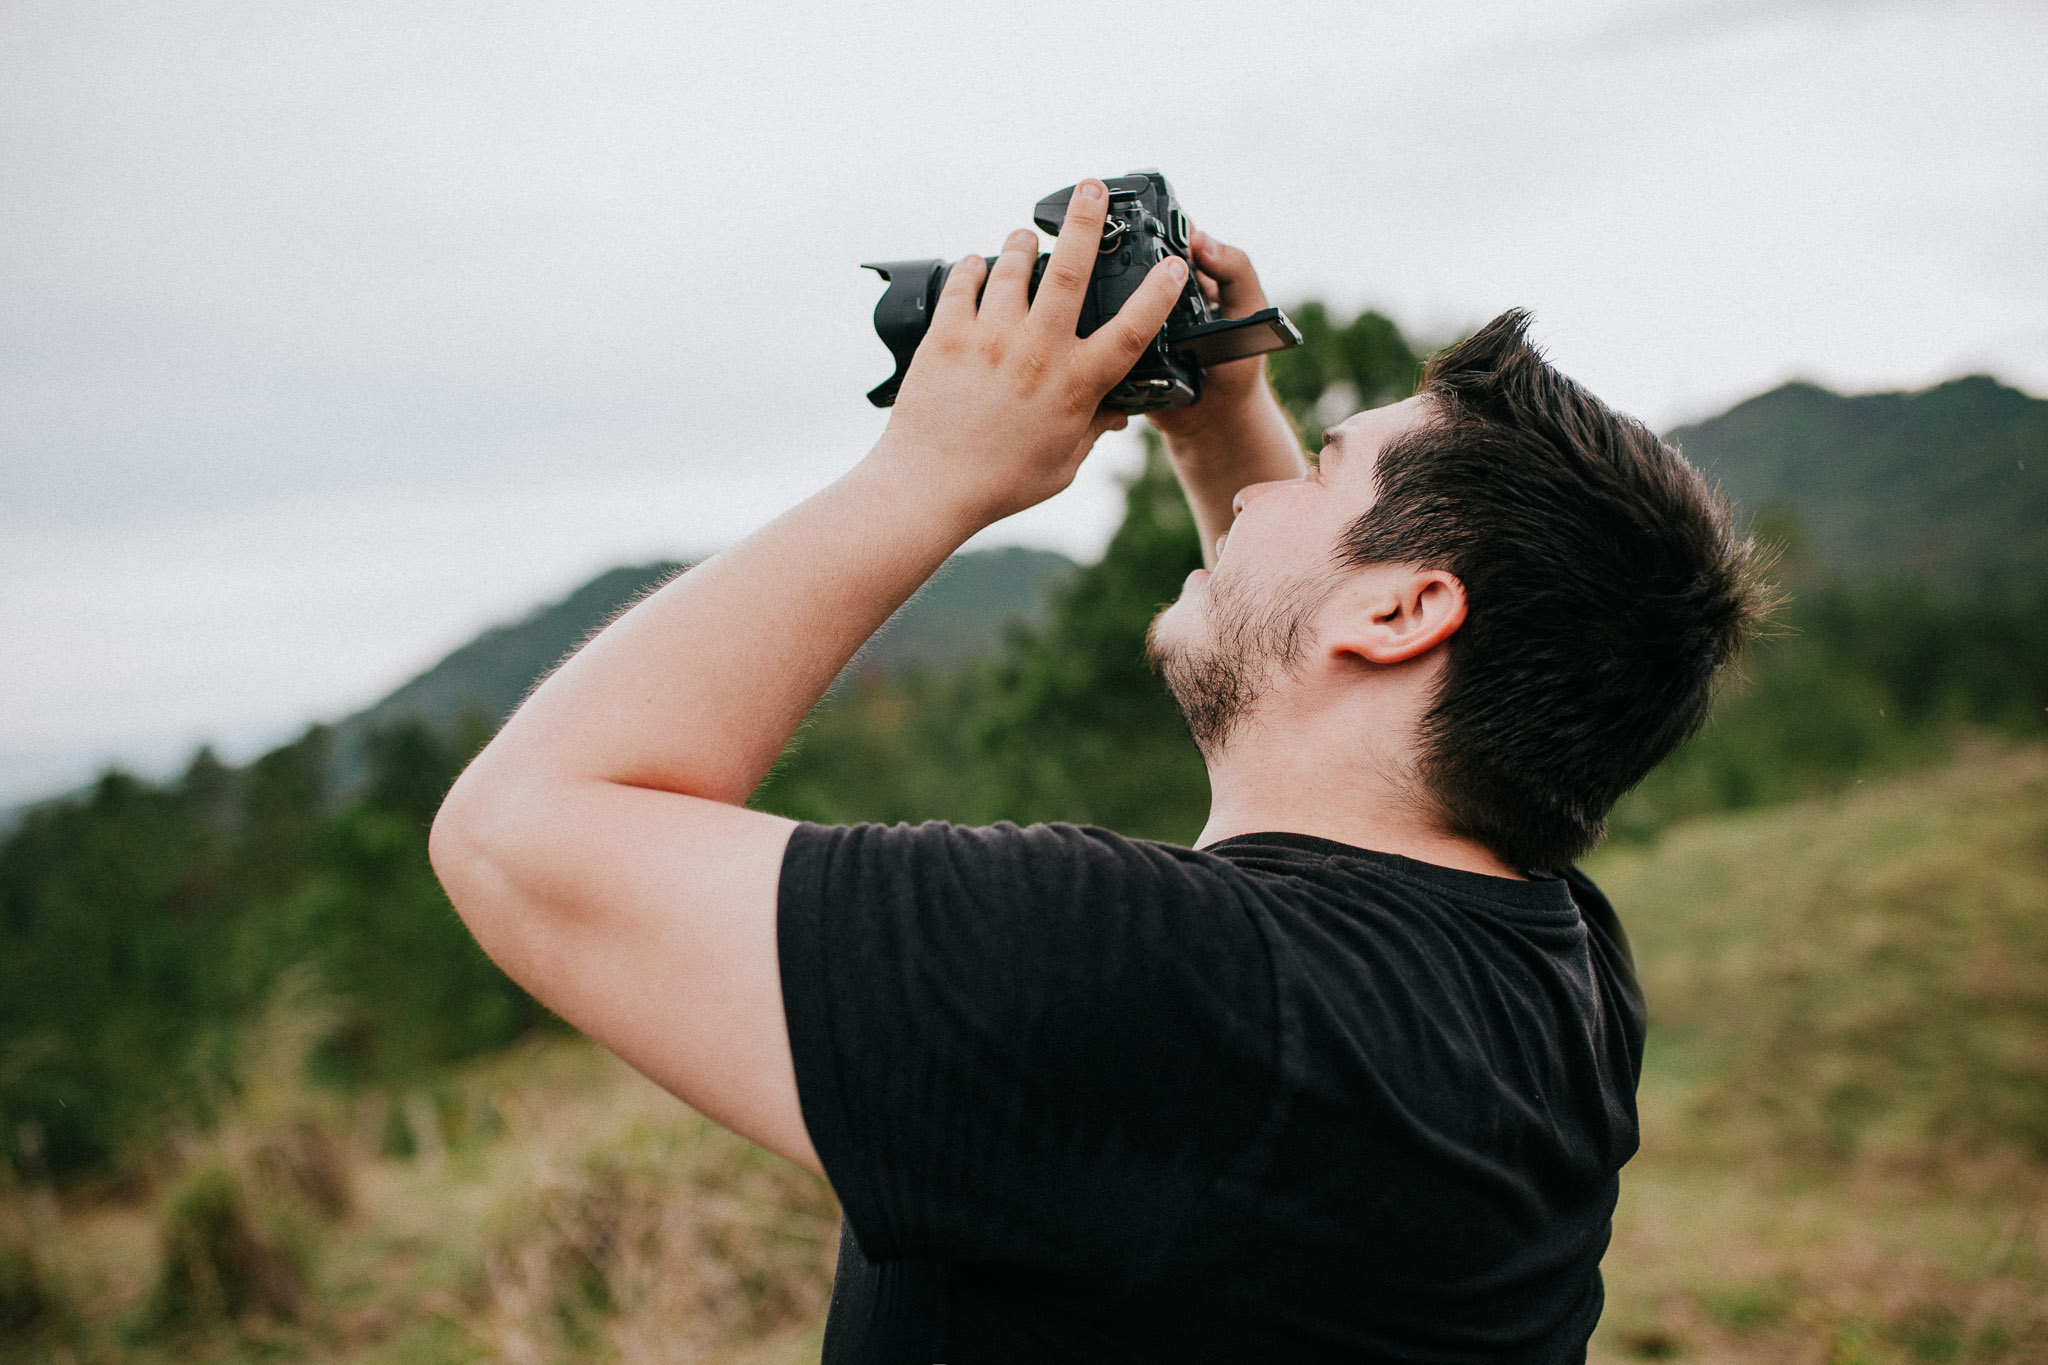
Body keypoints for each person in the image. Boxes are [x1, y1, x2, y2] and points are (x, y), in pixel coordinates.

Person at [430, 179, 1769, 1362]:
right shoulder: (1560, 973)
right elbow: (1313, 799)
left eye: (1326, 469)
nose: (1266, 490)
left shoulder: (1135, 976)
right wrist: (1217, 421)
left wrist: (929, 473)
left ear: (1403, 612)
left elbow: (517, 831)